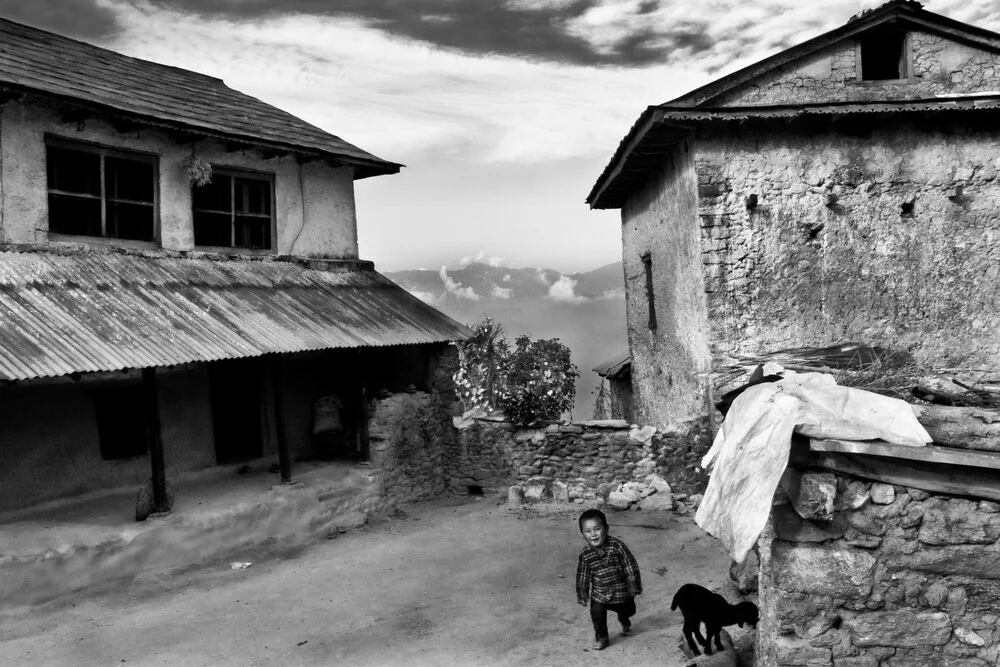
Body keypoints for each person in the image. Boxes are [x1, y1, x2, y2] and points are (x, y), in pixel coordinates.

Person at [575, 508, 642, 651]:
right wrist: (582, 593)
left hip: (621, 592)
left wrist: (633, 584)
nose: (593, 534)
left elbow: (629, 564)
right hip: (600, 593)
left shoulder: (617, 546)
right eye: (587, 531)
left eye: (597, 529)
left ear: (606, 528)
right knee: (596, 613)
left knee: (628, 610)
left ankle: (624, 619)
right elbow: (583, 576)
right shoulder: (586, 554)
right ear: (582, 534)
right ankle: (602, 638)